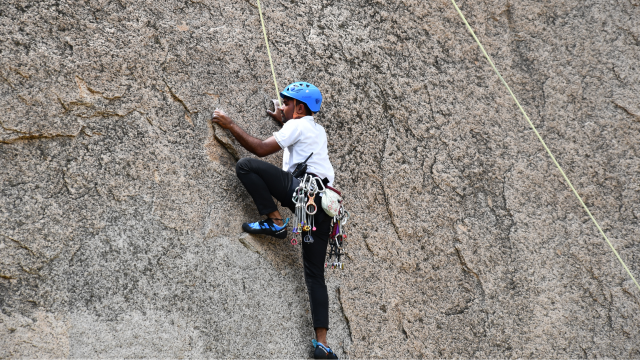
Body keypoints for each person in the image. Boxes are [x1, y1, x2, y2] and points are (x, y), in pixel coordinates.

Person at [211, 82, 339, 360]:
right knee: (315, 275)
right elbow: (299, 138)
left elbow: (259, 149)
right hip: (324, 206)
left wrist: (230, 124)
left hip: (302, 192)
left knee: (246, 166)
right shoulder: (317, 129)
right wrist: (283, 119)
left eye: (287, 103)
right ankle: (323, 345)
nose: (283, 106)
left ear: (300, 108)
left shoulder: (297, 125)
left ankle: (274, 221)